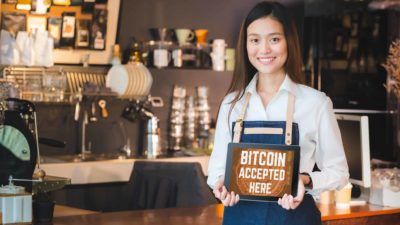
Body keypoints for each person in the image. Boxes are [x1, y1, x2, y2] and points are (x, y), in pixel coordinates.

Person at [207, 2, 349, 225]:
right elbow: (215, 170)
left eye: (274, 39)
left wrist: (303, 180)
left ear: (289, 43)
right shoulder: (231, 104)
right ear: (246, 44)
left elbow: (339, 172)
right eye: (255, 40)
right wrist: (222, 185)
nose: (263, 50)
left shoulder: (315, 103)